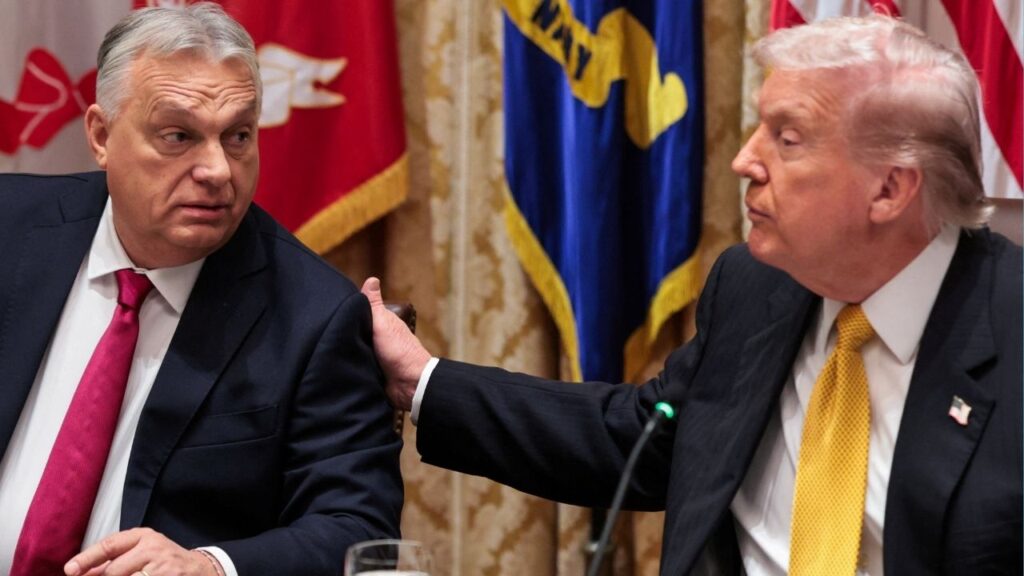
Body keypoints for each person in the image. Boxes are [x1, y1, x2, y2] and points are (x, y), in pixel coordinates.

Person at [362, 14, 1021, 575]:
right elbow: (642, 441)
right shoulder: (757, 285)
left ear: (890, 189)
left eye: (787, 139)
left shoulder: (1009, 331)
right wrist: (420, 378)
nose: (745, 160)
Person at [0, 4, 402, 576]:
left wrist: (210, 566)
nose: (217, 170)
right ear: (101, 136)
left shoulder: (313, 317)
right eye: (178, 136)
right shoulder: (10, 227)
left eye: (237, 136)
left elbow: (358, 527)